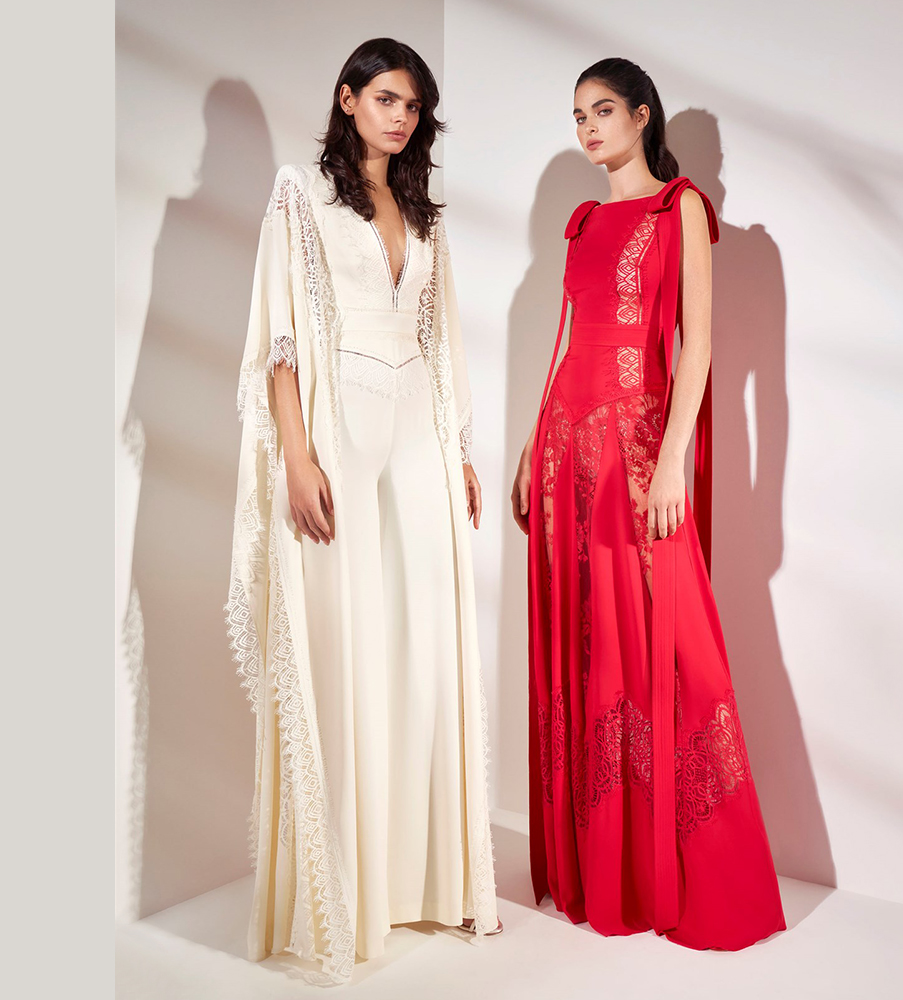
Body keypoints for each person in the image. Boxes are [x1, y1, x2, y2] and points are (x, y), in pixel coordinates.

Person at [225, 37, 500, 985]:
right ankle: (344, 893)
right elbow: (282, 335)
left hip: (416, 417)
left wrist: (458, 448)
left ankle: (428, 878)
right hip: (338, 415)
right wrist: (297, 453)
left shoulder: (421, 212)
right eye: (385, 98)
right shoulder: (301, 193)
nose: (400, 117)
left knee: (426, 637)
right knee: (344, 644)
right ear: (347, 99)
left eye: (413, 105)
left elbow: (439, 332)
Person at [511, 58, 786, 949]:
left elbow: (698, 347)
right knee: (588, 640)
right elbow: (567, 342)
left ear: (641, 115)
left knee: (664, 644)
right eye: (577, 115)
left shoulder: (681, 209)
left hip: (634, 448)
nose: (587, 128)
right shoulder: (584, 221)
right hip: (565, 447)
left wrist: (673, 461)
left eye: (602, 110)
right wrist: (531, 446)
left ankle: (673, 867)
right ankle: (600, 863)